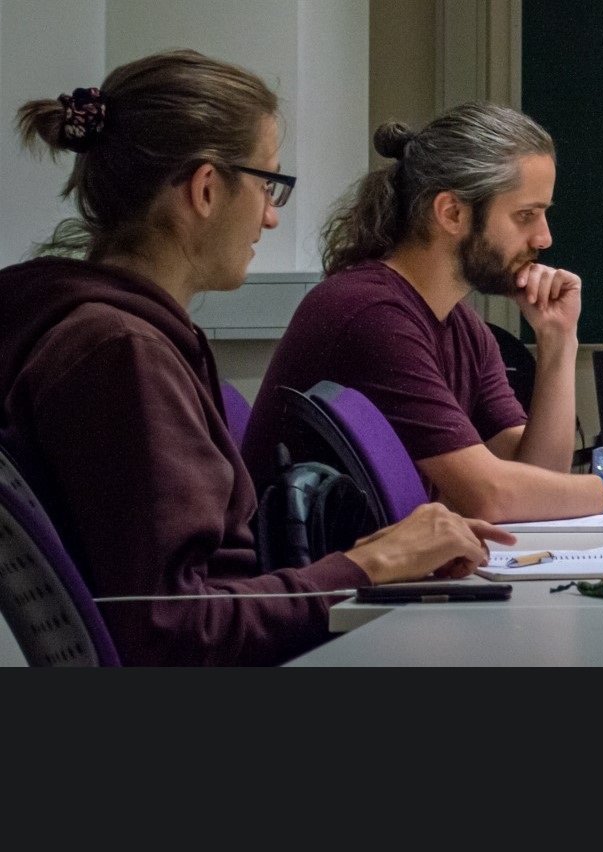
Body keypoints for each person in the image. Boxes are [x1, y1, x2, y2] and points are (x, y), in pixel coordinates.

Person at [0, 50, 512, 666]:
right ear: (206, 189)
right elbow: (176, 630)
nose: (270, 217)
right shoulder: (123, 353)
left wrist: (374, 557)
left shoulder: (116, 333)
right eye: (269, 185)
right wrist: (368, 566)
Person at [242, 102, 603, 523]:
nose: (544, 238)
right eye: (526, 215)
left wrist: (558, 339)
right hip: (321, 567)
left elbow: (536, 479)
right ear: (452, 213)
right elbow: (488, 496)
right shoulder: (371, 313)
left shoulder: (462, 327)